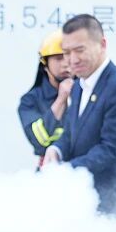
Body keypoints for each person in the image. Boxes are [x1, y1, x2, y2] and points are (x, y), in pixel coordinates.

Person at [43, 15, 116, 213]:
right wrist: (56, 150)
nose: (72, 59)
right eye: (66, 52)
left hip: (115, 205)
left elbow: (111, 148)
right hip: (83, 200)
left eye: (80, 50)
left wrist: (64, 171)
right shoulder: (78, 86)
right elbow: (71, 133)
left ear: (102, 44)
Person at [17, 29, 73, 165]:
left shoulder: (90, 93)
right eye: (58, 58)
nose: (65, 64)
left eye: (69, 57)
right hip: (50, 170)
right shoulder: (30, 100)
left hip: (85, 170)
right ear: (45, 64)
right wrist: (61, 99)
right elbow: (40, 141)